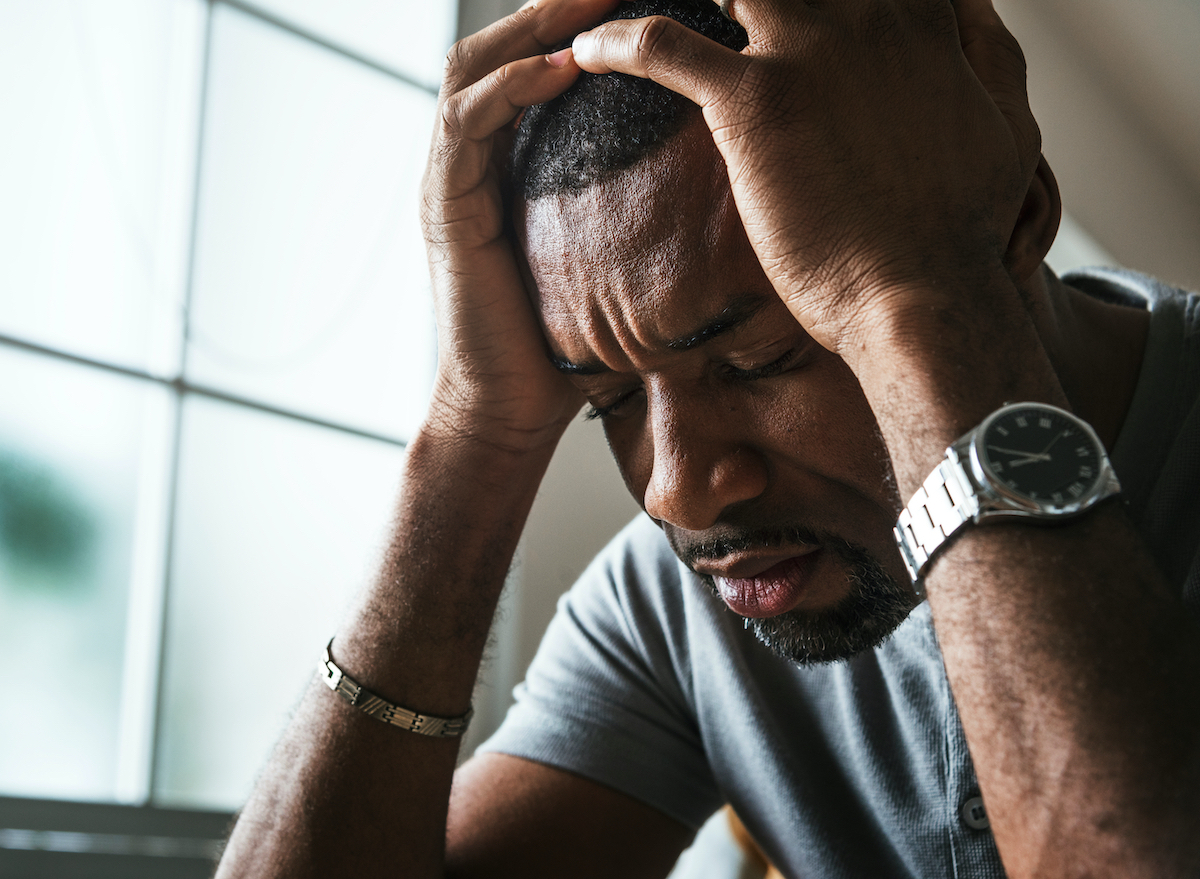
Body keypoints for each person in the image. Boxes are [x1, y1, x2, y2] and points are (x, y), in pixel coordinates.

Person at [215, 0, 1200, 876]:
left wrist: (922, 295)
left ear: (1016, 216)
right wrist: (472, 435)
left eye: (760, 362)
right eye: (610, 403)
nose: (678, 494)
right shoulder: (669, 609)